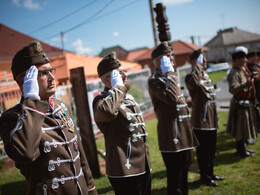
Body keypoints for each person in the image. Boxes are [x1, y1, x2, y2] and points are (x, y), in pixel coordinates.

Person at [0, 41, 97, 195]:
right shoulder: (12, 118)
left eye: (51, 70)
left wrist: (90, 188)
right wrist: (32, 102)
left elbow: (79, 153)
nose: (52, 77)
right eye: (43, 73)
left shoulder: (61, 106)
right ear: (23, 80)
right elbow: (25, 152)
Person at [92, 51, 151, 195]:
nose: (125, 75)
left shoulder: (126, 97)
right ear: (107, 79)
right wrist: (117, 88)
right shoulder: (101, 100)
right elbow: (108, 112)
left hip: (142, 163)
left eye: (123, 71)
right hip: (124, 169)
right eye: (119, 73)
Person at [148, 41, 199, 195]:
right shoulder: (155, 80)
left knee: (184, 169)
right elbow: (171, 98)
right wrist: (170, 73)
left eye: (171, 56)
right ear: (158, 61)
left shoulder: (171, 76)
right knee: (174, 174)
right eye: (168, 57)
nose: (172, 59)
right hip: (171, 134)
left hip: (183, 130)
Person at [185, 49, 224, 187]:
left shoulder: (205, 75)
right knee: (203, 152)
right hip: (201, 121)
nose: (205, 61)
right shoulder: (191, 76)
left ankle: (211, 173)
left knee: (211, 150)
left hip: (211, 119)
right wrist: (198, 67)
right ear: (194, 61)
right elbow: (193, 84)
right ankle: (205, 177)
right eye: (202, 59)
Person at [226, 46, 258, 157]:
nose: (245, 60)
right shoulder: (234, 73)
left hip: (245, 101)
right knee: (241, 128)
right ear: (236, 60)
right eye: (242, 59)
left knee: (245, 127)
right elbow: (233, 89)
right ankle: (241, 150)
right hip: (239, 103)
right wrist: (246, 84)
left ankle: (244, 147)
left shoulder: (241, 70)